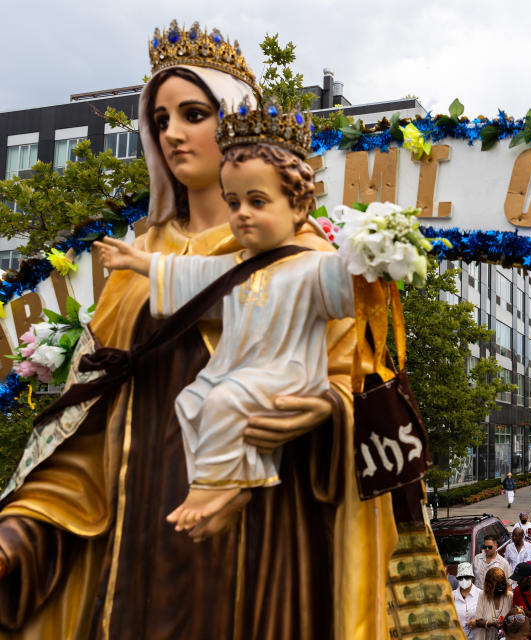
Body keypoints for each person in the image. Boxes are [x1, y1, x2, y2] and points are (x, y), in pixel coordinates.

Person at [0, 36, 398, 638]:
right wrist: (22, 526)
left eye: (193, 114)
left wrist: (322, 411)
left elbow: (352, 387)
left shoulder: (306, 254)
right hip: (133, 543)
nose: (172, 135)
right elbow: (85, 420)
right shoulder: (141, 259)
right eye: (160, 119)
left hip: (257, 543)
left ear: (236, 126)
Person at [96, 107, 353, 531]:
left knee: (222, 401)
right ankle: (235, 483)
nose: (242, 214)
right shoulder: (236, 265)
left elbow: (351, 290)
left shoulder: (312, 265)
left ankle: (212, 489)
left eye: (257, 201)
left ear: (299, 207)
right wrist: (137, 260)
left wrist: (373, 257)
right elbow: (190, 275)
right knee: (192, 400)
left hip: (286, 374)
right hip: (240, 369)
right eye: (233, 203)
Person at [474, 567, 515, 639]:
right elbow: (478, 621)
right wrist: (491, 624)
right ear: (490, 586)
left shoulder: (510, 596)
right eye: (498, 586)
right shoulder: (482, 595)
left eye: (503, 584)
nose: (501, 588)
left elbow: (514, 620)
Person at [454, 562, 482, 640]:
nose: (464, 580)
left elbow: (488, 616)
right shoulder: (451, 596)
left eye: (466, 577)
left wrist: (478, 622)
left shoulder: (481, 595)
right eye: (461, 577)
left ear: (472, 578)